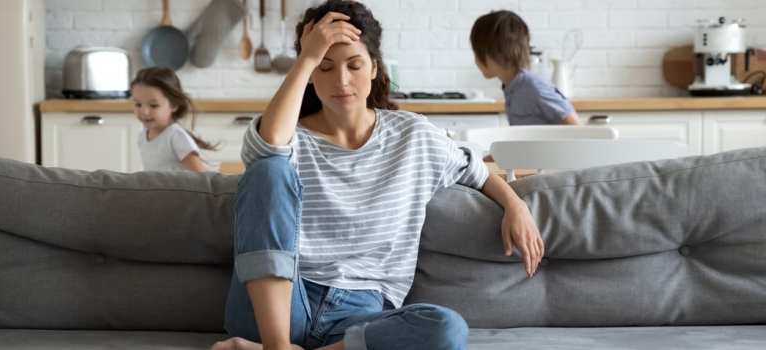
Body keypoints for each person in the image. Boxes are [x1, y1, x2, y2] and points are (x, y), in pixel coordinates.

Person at [212, 2, 544, 350]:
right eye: (324, 67)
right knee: (268, 168)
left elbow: (476, 170)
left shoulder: (413, 136)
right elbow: (268, 150)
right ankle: (276, 346)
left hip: (360, 315)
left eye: (354, 65)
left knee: (446, 329)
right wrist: (307, 57)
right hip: (277, 305)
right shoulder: (289, 137)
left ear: (373, 67)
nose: (341, 81)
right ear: (309, 73)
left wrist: (515, 204)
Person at [470, 10, 580, 125]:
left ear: (498, 53)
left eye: (478, 52)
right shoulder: (512, 86)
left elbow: (574, 126)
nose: (476, 60)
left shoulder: (533, 86)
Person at [130, 67, 216, 172]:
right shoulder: (142, 135)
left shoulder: (176, 137)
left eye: (153, 105)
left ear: (174, 105)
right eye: (138, 104)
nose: (144, 111)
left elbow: (202, 176)